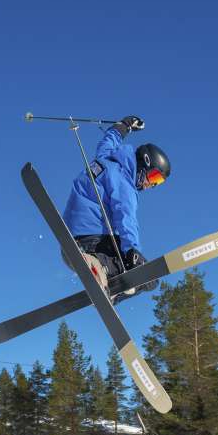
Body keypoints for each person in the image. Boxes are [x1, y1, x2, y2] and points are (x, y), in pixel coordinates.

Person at [61, 115, 171, 299]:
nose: (150, 185)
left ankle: (105, 281)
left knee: (138, 274)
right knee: (146, 278)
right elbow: (126, 219)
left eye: (157, 183)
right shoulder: (125, 184)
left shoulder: (107, 158)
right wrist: (133, 252)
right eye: (154, 178)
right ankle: (101, 270)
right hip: (93, 242)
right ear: (145, 163)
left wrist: (123, 126)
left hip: (72, 238)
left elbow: (109, 140)